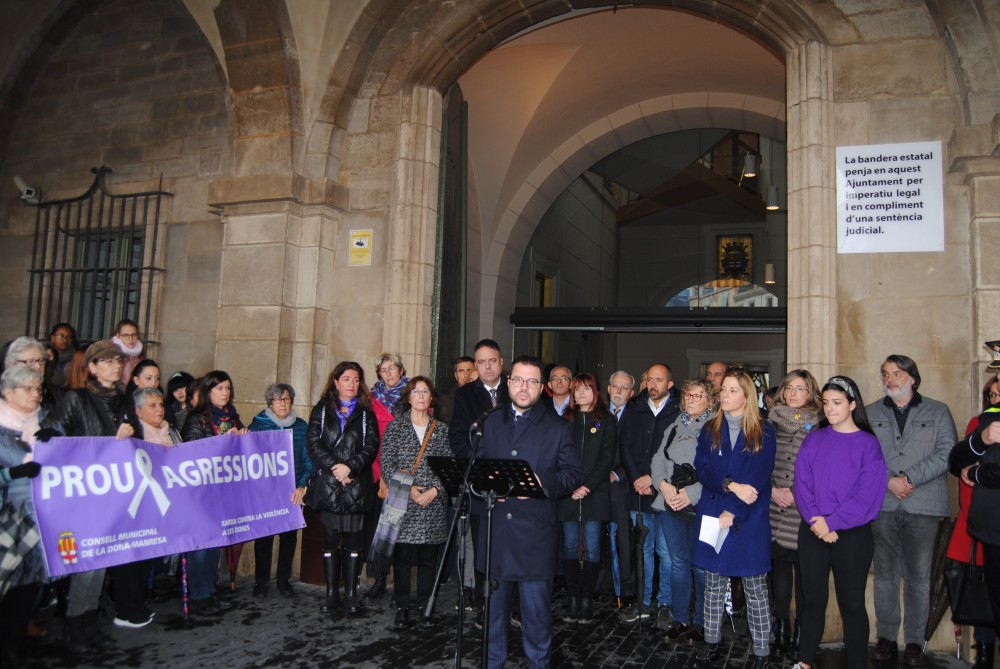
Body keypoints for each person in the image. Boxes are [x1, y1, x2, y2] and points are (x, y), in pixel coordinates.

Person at [475, 355, 583, 668]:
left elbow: (574, 473)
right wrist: (487, 487)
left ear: (542, 388)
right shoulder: (490, 422)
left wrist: (542, 481)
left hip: (535, 540)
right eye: (519, 380)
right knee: (493, 619)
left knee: (536, 621)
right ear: (509, 382)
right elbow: (476, 469)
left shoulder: (558, 428)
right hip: (497, 536)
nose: (524, 387)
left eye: (532, 381)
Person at [866, 354, 956, 667]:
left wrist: (909, 478)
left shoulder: (938, 410)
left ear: (912, 378)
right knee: (885, 576)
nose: (890, 379)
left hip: (923, 504)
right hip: (885, 503)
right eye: (885, 374)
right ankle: (887, 637)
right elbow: (865, 456)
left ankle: (916, 640)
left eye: (897, 373)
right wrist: (889, 480)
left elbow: (947, 454)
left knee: (919, 577)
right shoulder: (870, 413)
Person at [791, 376, 887, 669]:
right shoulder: (814, 439)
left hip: (852, 534)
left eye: (836, 403)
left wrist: (832, 522)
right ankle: (805, 661)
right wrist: (817, 521)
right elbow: (801, 484)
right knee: (812, 601)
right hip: (813, 530)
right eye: (826, 403)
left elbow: (868, 495)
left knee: (853, 604)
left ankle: (857, 663)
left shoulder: (868, 445)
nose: (829, 409)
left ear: (852, 405)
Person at [694, 370, 776, 669]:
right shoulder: (709, 429)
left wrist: (733, 510)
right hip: (714, 513)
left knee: (755, 587)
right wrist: (730, 486)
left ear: (746, 396)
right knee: (713, 584)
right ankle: (711, 641)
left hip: (748, 519)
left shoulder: (764, 431)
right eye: (724, 390)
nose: (724, 395)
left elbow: (758, 477)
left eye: (731, 390)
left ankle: (762, 650)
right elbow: (702, 468)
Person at [59, 340, 136, 653]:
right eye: (107, 361)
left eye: (118, 360)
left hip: (115, 491)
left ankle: (90, 623)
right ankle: (74, 625)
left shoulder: (125, 400)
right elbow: (56, 442)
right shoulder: (76, 399)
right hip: (85, 491)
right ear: (91, 367)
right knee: (87, 562)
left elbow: (138, 443)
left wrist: (133, 431)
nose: (116, 365)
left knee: (103, 558)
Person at [306, 361, 379, 616]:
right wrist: (336, 468)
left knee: (354, 542)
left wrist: (350, 468)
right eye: (346, 379)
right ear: (335, 382)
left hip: (356, 485)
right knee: (330, 541)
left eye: (356, 379)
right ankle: (331, 592)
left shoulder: (365, 411)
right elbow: (313, 442)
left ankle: (350, 592)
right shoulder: (322, 409)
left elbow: (371, 446)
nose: (352, 384)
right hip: (330, 485)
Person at [378, 376, 450, 628]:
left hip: (431, 504)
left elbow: (449, 467)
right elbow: (387, 465)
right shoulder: (394, 428)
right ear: (408, 397)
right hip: (403, 503)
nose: (420, 396)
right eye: (416, 392)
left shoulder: (441, 430)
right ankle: (402, 607)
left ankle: (425, 606)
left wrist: (435, 490)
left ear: (431, 398)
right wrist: (409, 491)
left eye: (425, 392)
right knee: (403, 559)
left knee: (429, 560)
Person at [449, 338, 510, 624]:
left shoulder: (517, 389)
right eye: (481, 362)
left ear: (501, 362)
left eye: (492, 360)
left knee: (511, 547)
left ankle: (512, 606)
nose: (487, 366)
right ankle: (486, 607)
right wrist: (483, 469)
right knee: (483, 548)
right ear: (476, 366)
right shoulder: (466, 396)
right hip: (480, 486)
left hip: (513, 485)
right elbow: (459, 438)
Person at [653, 377, 717, 645]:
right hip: (670, 503)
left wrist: (689, 494)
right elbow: (657, 460)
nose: (691, 400)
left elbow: (719, 470)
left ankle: (703, 623)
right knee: (678, 564)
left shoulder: (717, 428)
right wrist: (664, 487)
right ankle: (680, 619)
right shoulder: (674, 425)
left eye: (698, 396)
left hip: (702, 505)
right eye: (688, 395)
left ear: (710, 400)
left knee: (702, 567)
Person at [0, 366, 55, 666]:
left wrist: (56, 439)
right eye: (28, 389)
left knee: (32, 581)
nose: (35, 395)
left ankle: (14, 640)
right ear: (8, 393)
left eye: (38, 389)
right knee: (8, 581)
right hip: (8, 514)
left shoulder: (44, 420)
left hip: (39, 512)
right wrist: (13, 472)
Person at [181, 370, 247, 615]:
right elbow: (191, 455)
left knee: (215, 543)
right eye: (219, 388)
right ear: (208, 392)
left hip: (223, 492)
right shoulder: (197, 419)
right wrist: (224, 442)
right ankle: (197, 594)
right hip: (200, 494)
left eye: (228, 388)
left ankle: (208, 588)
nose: (225, 393)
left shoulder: (233, 418)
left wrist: (244, 439)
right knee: (200, 545)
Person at [619, 362, 680, 626]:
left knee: (666, 553)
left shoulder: (679, 410)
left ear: (669, 384)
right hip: (638, 493)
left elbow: (677, 452)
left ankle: (665, 604)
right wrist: (636, 478)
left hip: (665, 493)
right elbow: (626, 445)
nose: (652, 384)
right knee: (643, 550)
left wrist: (654, 480)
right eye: (649, 379)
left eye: (659, 379)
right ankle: (643, 603)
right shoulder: (635, 407)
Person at [946, 376, 999, 669]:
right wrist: (981, 439)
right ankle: (984, 651)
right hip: (988, 528)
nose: (997, 394)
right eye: (992, 391)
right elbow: (957, 462)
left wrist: (978, 474)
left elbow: (979, 474)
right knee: (989, 594)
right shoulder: (984, 424)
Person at [768, 369, 822, 654]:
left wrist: (800, 495)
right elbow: (759, 463)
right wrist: (773, 491)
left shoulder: (822, 426)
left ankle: (801, 628)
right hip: (775, 506)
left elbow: (824, 472)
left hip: (805, 510)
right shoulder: (770, 424)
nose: (792, 393)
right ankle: (781, 627)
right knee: (779, 570)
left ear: (811, 393)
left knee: (805, 573)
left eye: (799, 388)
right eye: (789, 388)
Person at [558, 372, 616, 624]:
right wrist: (570, 486)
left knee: (592, 548)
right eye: (577, 389)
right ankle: (572, 598)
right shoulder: (565, 420)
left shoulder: (607, 420)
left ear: (596, 391)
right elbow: (557, 456)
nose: (581, 393)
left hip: (595, 494)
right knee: (570, 546)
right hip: (568, 494)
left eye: (586, 388)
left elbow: (606, 458)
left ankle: (587, 599)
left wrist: (587, 486)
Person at [249, 383, 312, 598]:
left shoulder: (301, 426)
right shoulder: (258, 425)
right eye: (278, 399)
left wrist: (302, 485)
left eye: (286, 399)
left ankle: (284, 580)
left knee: (289, 537)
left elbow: (307, 459)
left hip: (292, 492)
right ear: (270, 403)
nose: (283, 403)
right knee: (264, 538)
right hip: (265, 494)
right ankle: (261, 581)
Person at [606, 370, 638, 613]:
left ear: (632, 393)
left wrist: (618, 474)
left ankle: (627, 588)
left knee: (625, 540)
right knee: (597, 538)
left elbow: (639, 454)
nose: (618, 391)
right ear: (608, 389)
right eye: (615, 386)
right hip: (596, 487)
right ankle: (604, 585)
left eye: (624, 387)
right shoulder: (596, 413)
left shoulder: (636, 417)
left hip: (622, 486)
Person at [3, 337, 65, 416]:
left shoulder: (57, 395)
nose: (38, 366)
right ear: (13, 364)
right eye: (30, 361)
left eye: (41, 360)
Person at [110, 319, 145, 383]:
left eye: (134, 335)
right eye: (126, 335)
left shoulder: (140, 355)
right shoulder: (110, 354)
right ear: (118, 335)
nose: (130, 339)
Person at [47, 322, 76, 388]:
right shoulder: (44, 354)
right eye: (61, 336)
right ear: (52, 337)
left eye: (69, 337)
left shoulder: (75, 357)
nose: (65, 340)